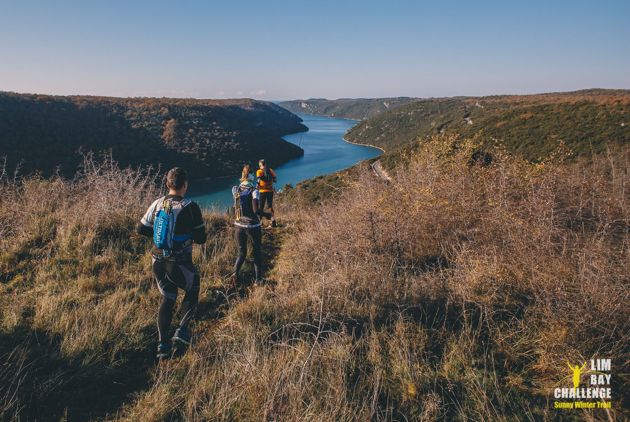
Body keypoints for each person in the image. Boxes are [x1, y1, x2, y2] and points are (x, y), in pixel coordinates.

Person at [136, 167, 206, 359]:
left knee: (168, 297)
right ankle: (182, 332)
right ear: (185, 185)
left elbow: (140, 228)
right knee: (192, 287)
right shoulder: (190, 206)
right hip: (179, 262)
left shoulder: (157, 203)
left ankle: (163, 345)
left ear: (167, 184)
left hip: (157, 261)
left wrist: (162, 236)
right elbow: (201, 238)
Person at [232, 178, 271, 288]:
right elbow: (256, 210)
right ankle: (258, 281)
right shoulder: (254, 191)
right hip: (253, 226)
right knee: (257, 253)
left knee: (241, 253)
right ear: (251, 178)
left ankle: (234, 275)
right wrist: (267, 215)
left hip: (239, 225)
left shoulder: (235, 189)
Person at [256, 159, 277, 227]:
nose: (260, 167)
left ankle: (260, 222)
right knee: (270, 206)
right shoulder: (270, 170)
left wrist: (258, 185)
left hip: (263, 191)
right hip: (270, 191)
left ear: (262, 165)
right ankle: (273, 221)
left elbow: (258, 180)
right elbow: (275, 179)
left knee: (260, 207)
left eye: (260, 165)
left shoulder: (259, 171)